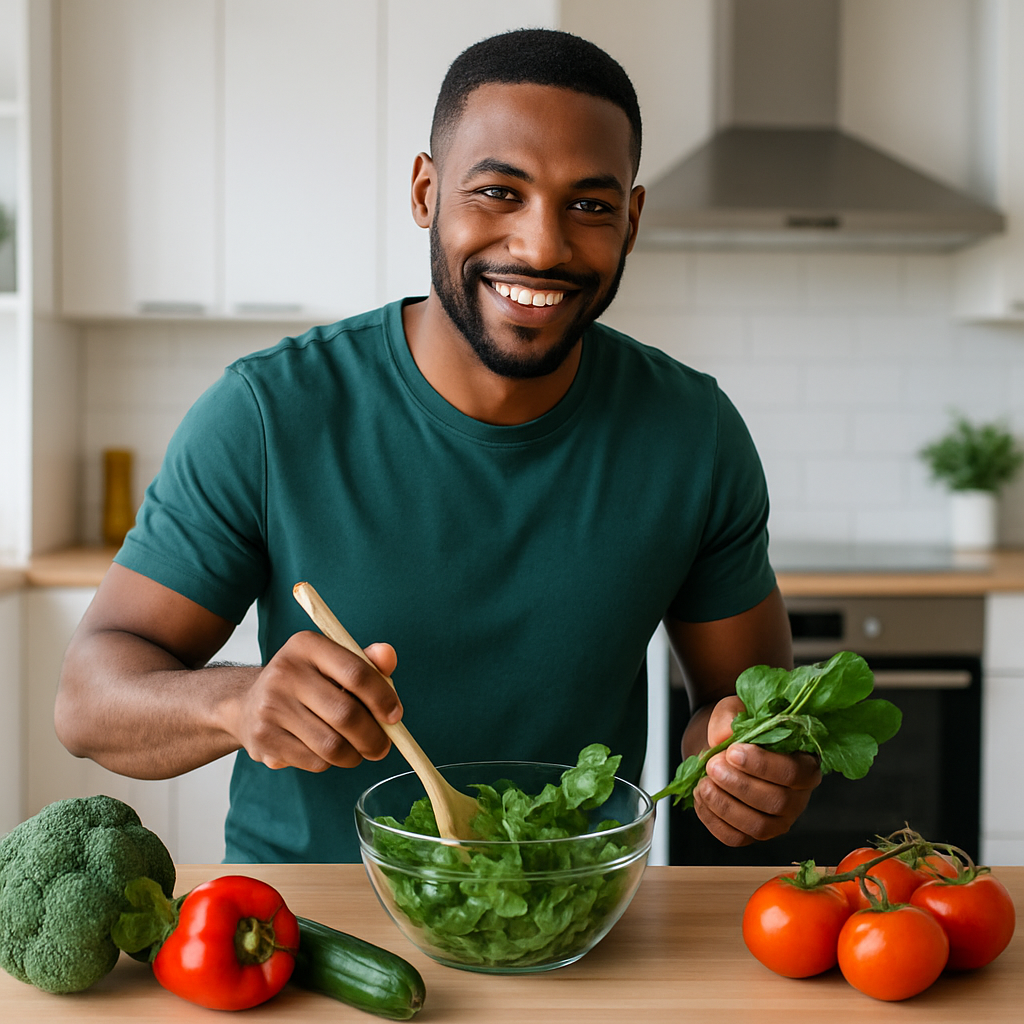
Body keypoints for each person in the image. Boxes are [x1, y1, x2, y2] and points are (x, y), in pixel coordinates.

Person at [55, 28, 820, 863]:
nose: (542, 246)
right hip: (306, 936)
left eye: (590, 206)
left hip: (562, 924)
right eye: (498, 192)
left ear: (631, 222)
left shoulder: (694, 435)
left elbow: (736, 711)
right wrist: (237, 704)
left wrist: (751, 764)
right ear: (426, 192)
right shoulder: (268, 414)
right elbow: (88, 702)